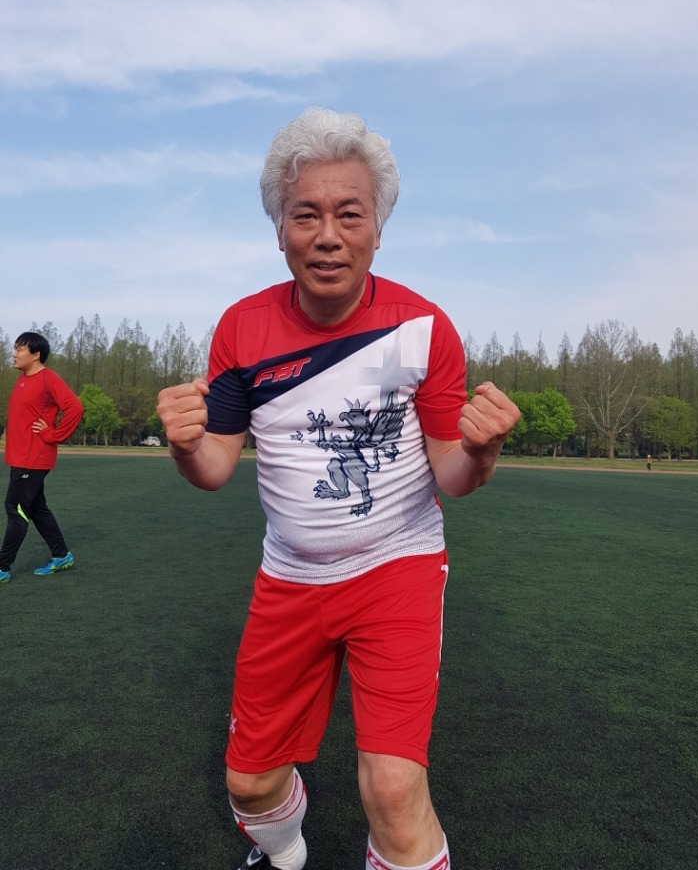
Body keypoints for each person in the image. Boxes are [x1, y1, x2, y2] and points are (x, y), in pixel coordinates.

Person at [157, 108, 520, 870]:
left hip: (397, 568)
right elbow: (216, 467)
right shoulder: (241, 330)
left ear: (378, 229)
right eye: (306, 215)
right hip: (290, 577)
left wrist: (480, 451)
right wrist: (186, 445)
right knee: (250, 784)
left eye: (349, 214)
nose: (328, 235)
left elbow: (452, 474)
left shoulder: (424, 329)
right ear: (280, 230)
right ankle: (284, 855)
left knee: (393, 788)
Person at [0, 332, 83, 583]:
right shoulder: (22, 379)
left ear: (36, 354)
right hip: (21, 457)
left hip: (33, 458)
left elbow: (75, 407)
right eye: (14, 348)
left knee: (15, 508)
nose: (14, 354)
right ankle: (61, 555)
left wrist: (53, 434)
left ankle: (2, 567)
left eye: (20, 349)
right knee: (37, 508)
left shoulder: (48, 379)